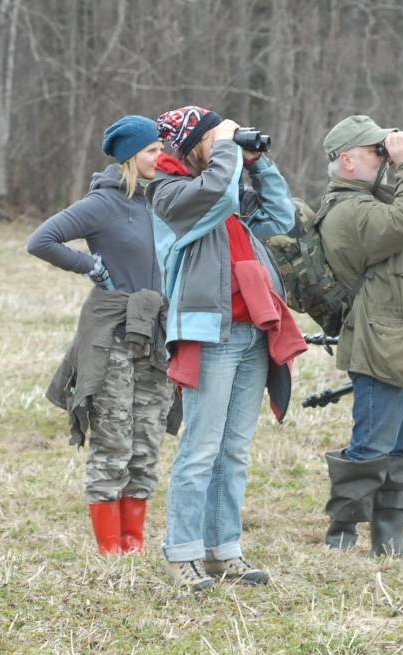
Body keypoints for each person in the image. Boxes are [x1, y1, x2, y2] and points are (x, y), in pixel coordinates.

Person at [148, 106, 305, 591]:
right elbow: (214, 192)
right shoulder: (170, 192)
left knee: (233, 450)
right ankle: (183, 554)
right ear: (193, 143)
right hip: (209, 334)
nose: (225, 142)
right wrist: (227, 147)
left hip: (252, 333)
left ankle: (223, 551)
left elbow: (281, 217)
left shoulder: (227, 184)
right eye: (212, 136)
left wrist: (258, 164)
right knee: (200, 450)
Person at [29, 115, 176, 556]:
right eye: (152, 151)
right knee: (113, 439)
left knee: (146, 439)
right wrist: (89, 267)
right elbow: (42, 240)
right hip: (110, 334)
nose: (160, 157)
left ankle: (134, 545)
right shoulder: (102, 204)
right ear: (130, 156)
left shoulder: (159, 201)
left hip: (154, 333)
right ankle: (110, 551)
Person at [317, 115, 403, 559]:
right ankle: (342, 533)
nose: (383, 156)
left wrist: (397, 160)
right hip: (379, 340)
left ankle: (390, 536)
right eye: (374, 151)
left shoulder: (369, 200)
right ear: (346, 160)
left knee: (402, 447)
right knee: (371, 446)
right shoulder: (350, 211)